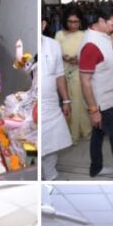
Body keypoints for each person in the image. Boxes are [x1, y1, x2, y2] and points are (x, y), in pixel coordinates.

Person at [78, 6, 113, 178]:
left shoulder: (103, 36)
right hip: (102, 102)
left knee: (98, 133)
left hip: (108, 97)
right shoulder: (91, 45)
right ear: (101, 21)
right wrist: (94, 110)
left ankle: (96, 168)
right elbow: (85, 81)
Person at [41, 21, 72, 181]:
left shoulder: (53, 45)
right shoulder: (25, 46)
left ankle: (51, 175)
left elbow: (59, 75)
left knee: (52, 142)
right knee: (33, 141)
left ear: (43, 24)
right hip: (32, 104)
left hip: (51, 103)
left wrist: (66, 101)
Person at [55, 7, 89, 142]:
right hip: (62, 72)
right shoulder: (59, 35)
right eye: (70, 22)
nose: (73, 25)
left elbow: (88, 53)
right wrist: (63, 56)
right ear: (65, 21)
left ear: (80, 22)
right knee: (66, 100)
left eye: (76, 22)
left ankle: (75, 134)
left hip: (79, 71)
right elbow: (54, 53)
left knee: (77, 102)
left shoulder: (84, 35)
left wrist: (78, 59)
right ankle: (70, 131)